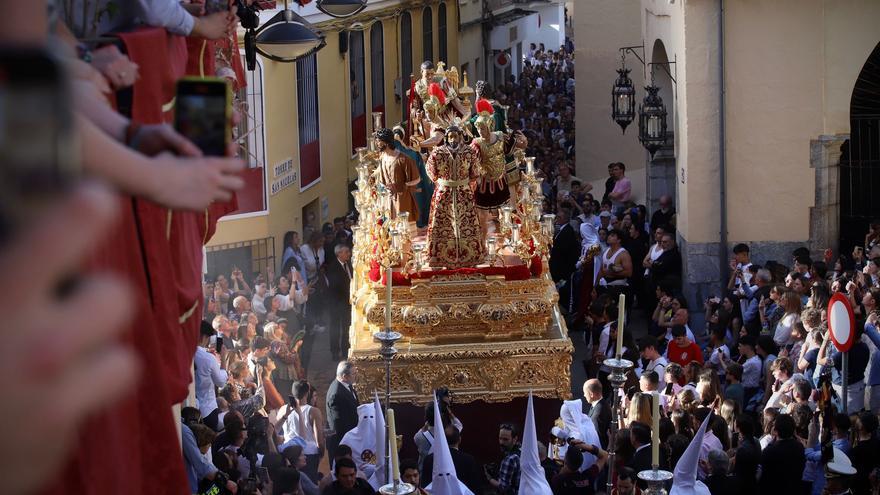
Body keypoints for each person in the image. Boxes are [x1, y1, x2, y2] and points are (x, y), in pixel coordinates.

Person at [425, 125, 485, 268]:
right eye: (450, 136)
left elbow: (475, 172)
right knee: (440, 223)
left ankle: (470, 255)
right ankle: (439, 255)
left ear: (460, 137)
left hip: (463, 192)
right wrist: (442, 181)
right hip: (444, 192)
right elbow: (430, 170)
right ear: (446, 138)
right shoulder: (437, 152)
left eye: (455, 136)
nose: (453, 139)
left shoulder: (469, 152)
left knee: (467, 223)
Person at [420, 425, 482, 494]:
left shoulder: (429, 460)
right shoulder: (468, 460)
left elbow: (425, 488)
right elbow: (476, 487)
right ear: (459, 439)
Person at [374, 128, 420, 221]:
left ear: (386, 143)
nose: (376, 144)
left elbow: (417, 179)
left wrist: (403, 186)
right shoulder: (383, 157)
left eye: (378, 141)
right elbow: (383, 180)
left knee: (404, 229)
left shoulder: (404, 159)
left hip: (402, 200)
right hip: (388, 200)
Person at [194, 320, 229, 431]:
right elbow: (221, 382)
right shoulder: (207, 358)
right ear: (204, 336)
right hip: (207, 409)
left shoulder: (185, 352)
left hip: (191, 409)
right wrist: (223, 359)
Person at [758, 414, 805, 494]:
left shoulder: (770, 450)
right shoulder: (799, 447)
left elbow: (762, 469)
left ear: (775, 430)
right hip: (793, 489)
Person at [325, 244, 353, 361]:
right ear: (339, 253)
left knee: (346, 326)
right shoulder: (333, 267)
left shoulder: (348, 264)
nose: (348, 254)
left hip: (347, 302)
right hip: (336, 303)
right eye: (346, 252)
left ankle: (345, 349)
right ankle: (335, 352)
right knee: (335, 327)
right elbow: (336, 286)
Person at [326, 361, 360, 461]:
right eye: (353, 374)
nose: (356, 376)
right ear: (345, 376)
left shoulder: (345, 385)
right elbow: (340, 424)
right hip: (342, 442)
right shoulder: (337, 394)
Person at [486, 423, 521, 495]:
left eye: (505, 439)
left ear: (515, 439)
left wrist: (489, 478)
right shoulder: (523, 451)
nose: (501, 442)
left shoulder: (510, 459)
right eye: (500, 438)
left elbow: (503, 488)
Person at [583, 379, 612, 448]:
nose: (584, 395)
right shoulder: (599, 405)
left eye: (585, 392)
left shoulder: (598, 413)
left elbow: (597, 437)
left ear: (591, 394)